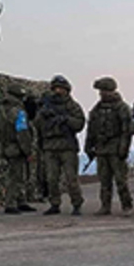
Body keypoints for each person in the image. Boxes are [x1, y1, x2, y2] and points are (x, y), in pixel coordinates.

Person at [34, 75, 87, 216]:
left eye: (61, 89)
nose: (58, 91)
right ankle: (54, 203)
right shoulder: (46, 105)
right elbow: (37, 124)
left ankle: (77, 203)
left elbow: (79, 124)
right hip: (50, 146)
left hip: (67, 146)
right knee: (51, 178)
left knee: (71, 178)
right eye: (56, 88)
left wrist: (65, 119)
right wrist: (43, 115)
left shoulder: (72, 106)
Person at [86, 77, 134, 216]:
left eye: (104, 91)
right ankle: (105, 206)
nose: (101, 94)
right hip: (101, 148)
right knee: (104, 180)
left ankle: (127, 205)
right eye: (101, 91)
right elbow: (91, 128)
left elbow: (126, 131)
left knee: (120, 179)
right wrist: (88, 146)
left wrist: (123, 148)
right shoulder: (97, 108)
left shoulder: (122, 108)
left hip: (115, 148)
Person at [0, 84, 36, 214]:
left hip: (7, 145)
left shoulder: (2, 109)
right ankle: (11, 203)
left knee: (16, 174)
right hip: (17, 147)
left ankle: (21, 201)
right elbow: (22, 132)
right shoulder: (19, 111)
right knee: (16, 176)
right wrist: (28, 150)